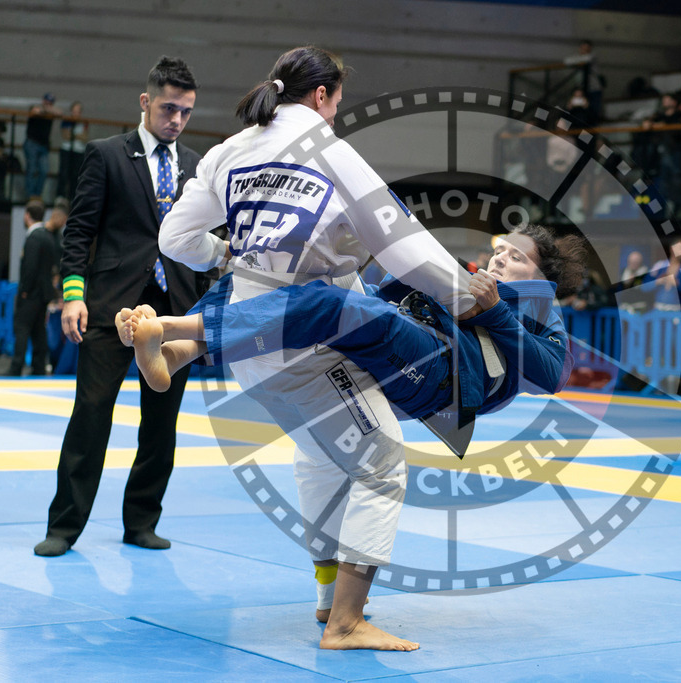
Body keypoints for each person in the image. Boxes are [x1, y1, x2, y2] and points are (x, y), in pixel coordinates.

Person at [154, 46, 484, 652]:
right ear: (324, 96)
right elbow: (404, 245)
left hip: (244, 335)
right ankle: (346, 622)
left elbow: (174, 237)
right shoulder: (332, 152)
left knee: (320, 457)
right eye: (337, 100)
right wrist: (468, 293)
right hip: (304, 341)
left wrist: (227, 255)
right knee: (381, 463)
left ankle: (327, 595)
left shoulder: (231, 150)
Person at [116, 225, 585, 432]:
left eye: (516, 257)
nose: (501, 258)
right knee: (281, 272)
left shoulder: (540, 308)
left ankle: (169, 325)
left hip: (442, 378)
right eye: (501, 251)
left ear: (543, 278)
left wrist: (497, 310)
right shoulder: (466, 277)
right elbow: (389, 292)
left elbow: (554, 376)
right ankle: (177, 354)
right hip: (405, 337)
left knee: (335, 306)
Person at [33, 57, 204, 559]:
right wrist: (72, 294)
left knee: (162, 421)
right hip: (110, 306)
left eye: (186, 112)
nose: (176, 119)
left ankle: (142, 520)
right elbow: (79, 231)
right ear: (146, 102)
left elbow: (202, 238)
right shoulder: (106, 155)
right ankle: (64, 526)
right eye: (169, 108)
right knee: (90, 413)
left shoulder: (196, 165)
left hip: (174, 309)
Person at [4, 199, 59, 376]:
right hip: (43, 293)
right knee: (38, 330)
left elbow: (30, 267)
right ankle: (39, 367)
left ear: (27, 216)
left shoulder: (34, 237)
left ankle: (16, 366)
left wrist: (24, 291)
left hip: (32, 292)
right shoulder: (48, 236)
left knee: (21, 327)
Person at [24, 93, 62, 199]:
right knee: (31, 169)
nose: (48, 104)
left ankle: (37, 194)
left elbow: (59, 112)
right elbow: (34, 111)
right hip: (32, 143)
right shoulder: (36, 109)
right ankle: (30, 195)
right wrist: (46, 110)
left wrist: (47, 110)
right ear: (43, 101)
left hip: (44, 145)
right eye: (47, 101)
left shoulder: (50, 112)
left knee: (44, 170)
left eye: (50, 102)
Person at [57, 101, 88, 199]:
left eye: (78, 111)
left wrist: (73, 135)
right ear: (71, 111)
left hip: (78, 151)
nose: (76, 114)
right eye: (74, 111)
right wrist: (78, 136)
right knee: (64, 174)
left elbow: (85, 137)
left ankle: (72, 197)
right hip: (66, 150)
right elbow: (66, 136)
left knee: (76, 175)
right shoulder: (66, 121)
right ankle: (60, 197)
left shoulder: (84, 122)